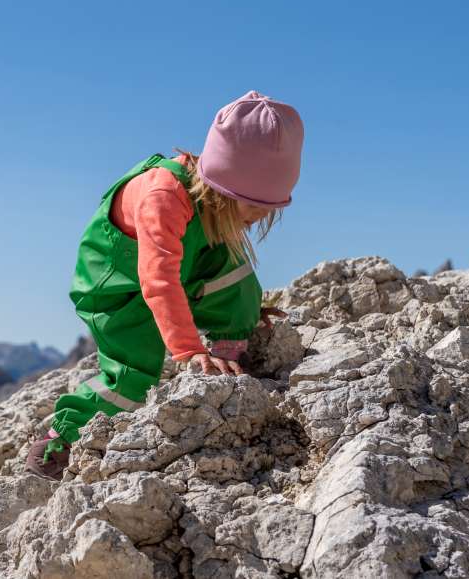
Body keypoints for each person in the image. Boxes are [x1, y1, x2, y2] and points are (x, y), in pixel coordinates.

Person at [25, 90, 305, 481]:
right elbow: (157, 279)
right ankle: (64, 435)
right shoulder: (163, 196)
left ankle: (227, 358)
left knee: (239, 282)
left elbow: (189, 269)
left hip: (176, 269)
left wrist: (243, 311)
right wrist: (188, 350)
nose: (258, 219)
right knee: (133, 371)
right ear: (224, 187)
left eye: (268, 209)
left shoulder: (211, 199)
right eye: (254, 208)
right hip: (118, 288)